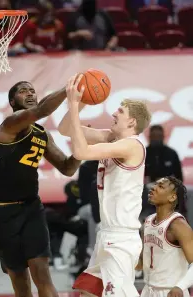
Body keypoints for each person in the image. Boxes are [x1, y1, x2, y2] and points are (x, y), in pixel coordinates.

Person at [0, 81, 81, 297]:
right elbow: (41, 110)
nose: (29, 93)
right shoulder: (10, 125)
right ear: (12, 101)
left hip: (31, 208)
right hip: (0, 212)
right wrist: (68, 89)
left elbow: (66, 167)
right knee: (20, 282)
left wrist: (82, 149)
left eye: (32, 91)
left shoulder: (42, 134)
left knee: (42, 273)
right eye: (22, 91)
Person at [58, 74, 152, 297]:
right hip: (106, 234)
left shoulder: (132, 146)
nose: (113, 113)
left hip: (121, 239)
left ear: (132, 122)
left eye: (120, 112)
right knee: (87, 293)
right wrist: (79, 103)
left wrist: (72, 104)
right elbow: (65, 129)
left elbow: (80, 152)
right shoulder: (110, 138)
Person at [136, 176, 193, 297]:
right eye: (155, 184)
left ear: (172, 197)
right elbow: (142, 262)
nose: (153, 188)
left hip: (171, 291)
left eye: (160, 186)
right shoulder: (148, 221)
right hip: (148, 290)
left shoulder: (178, 225)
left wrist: (181, 286)